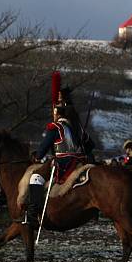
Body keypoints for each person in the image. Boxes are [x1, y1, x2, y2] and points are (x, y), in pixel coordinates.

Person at [26, 72, 88, 226]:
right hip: (77, 158)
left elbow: (45, 145)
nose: (53, 112)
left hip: (63, 161)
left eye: (55, 111)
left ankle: (33, 214)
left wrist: (38, 156)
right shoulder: (71, 126)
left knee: (35, 178)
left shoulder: (56, 126)